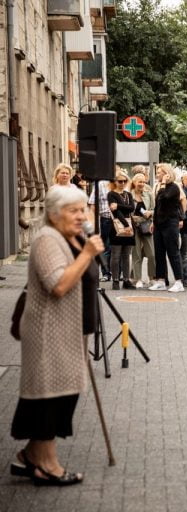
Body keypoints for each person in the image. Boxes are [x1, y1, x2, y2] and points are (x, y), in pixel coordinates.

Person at [11, 186, 103, 486]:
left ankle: (29, 456)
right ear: (53, 214)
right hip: (49, 330)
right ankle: (47, 465)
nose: (81, 215)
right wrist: (87, 254)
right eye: (73, 210)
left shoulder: (72, 236)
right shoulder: (47, 240)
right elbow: (58, 285)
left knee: (64, 394)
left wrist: (87, 247)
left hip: (70, 329)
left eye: (83, 209)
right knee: (50, 397)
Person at [149, 164, 185, 292]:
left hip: (170, 224)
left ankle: (179, 281)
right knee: (159, 253)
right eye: (157, 172)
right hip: (159, 224)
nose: (157, 174)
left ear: (167, 174)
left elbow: (164, 198)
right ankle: (161, 280)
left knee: (173, 252)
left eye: (159, 172)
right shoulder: (160, 188)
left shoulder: (174, 187)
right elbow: (157, 207)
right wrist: (154, 222)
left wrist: (163, 183)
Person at [107, 170, 135, 290]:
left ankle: (126, 280)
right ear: (115, 182)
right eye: (120, 181)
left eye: (124, 181)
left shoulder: (128, 195)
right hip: (117, 227)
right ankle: (116, 280)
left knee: (126, 255)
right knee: (116, 255)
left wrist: (118, 205)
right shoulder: (111, 194)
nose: (122, 183)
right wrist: (125, 224)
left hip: (129, 226)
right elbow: (116, 212)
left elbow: (132, 207)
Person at [129, 171, 156, 288]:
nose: (142, 184)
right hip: (133, 226)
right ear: (134, 182)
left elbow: (155, 209)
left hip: (146, 225)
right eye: (140, 181)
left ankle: (152, 278)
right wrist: (131, 217)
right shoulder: (128, 194)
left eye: (144, 182)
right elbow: (125, 210)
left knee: (152, 254)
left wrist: (150, 213)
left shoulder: (148, 194)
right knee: (136, 254)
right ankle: (138, 278)